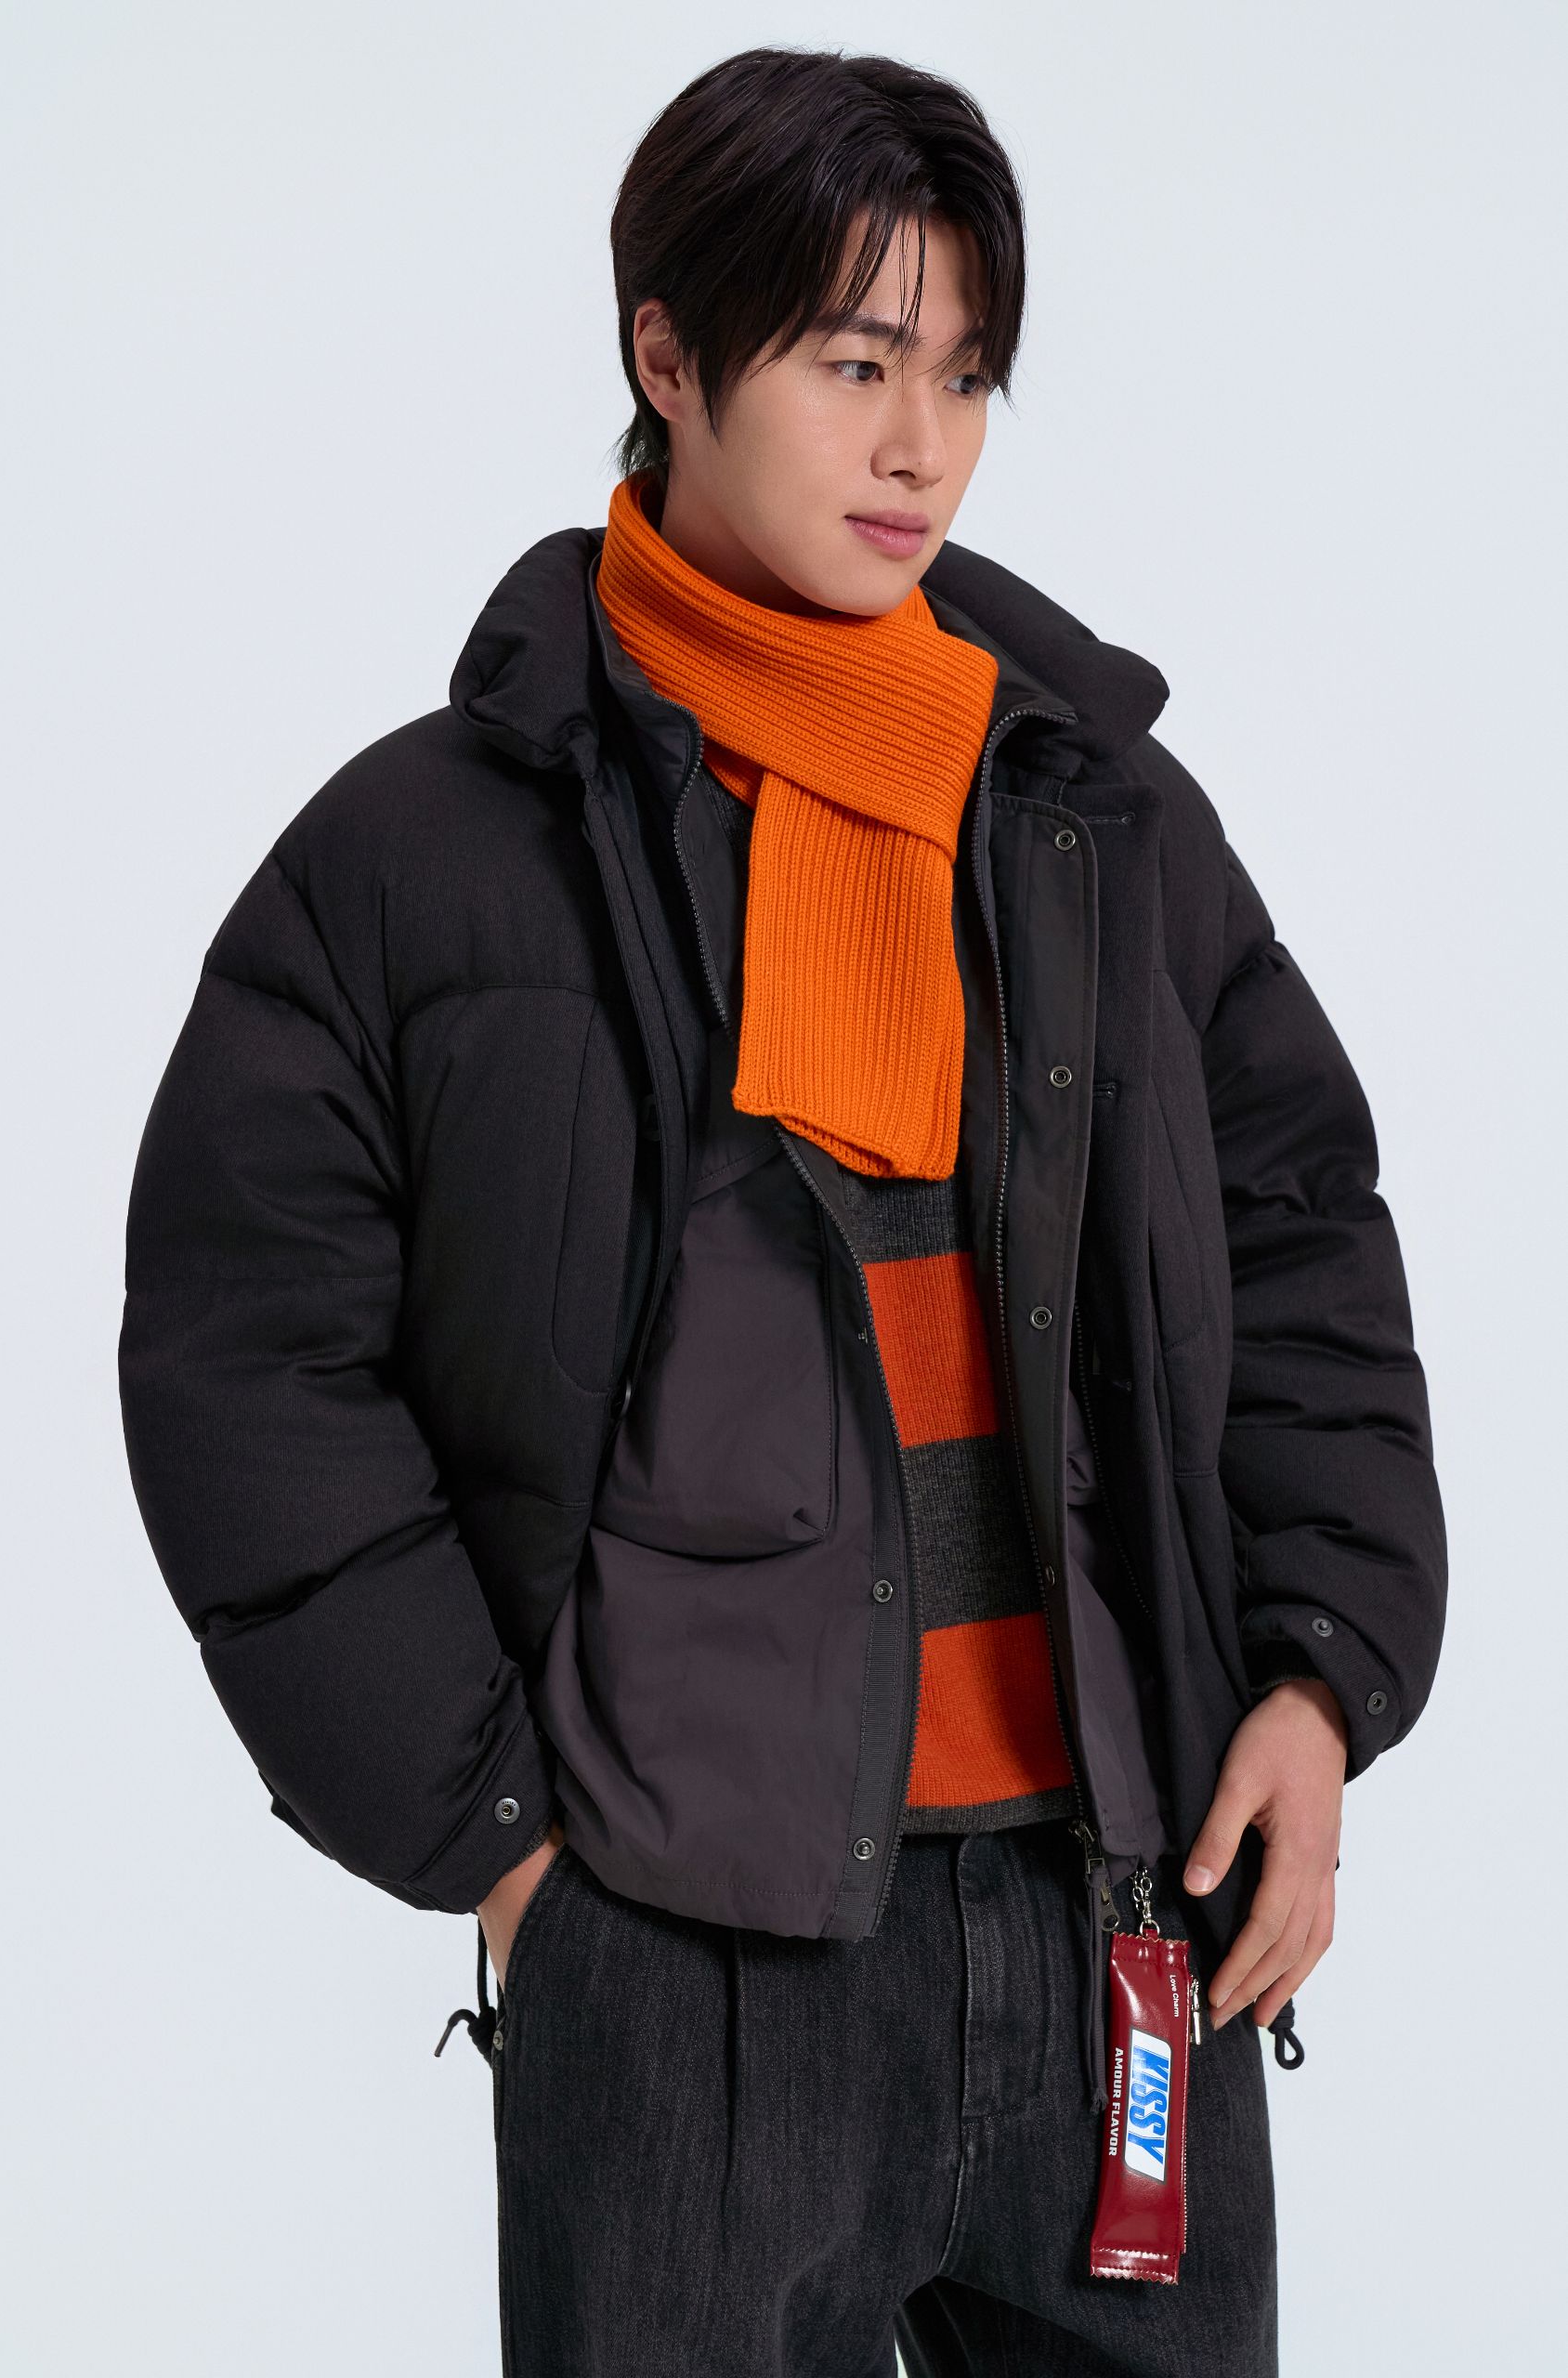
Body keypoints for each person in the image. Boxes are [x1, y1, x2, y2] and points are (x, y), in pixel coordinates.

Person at [118, 44, 1446, 2378]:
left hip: (1118, 1914)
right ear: (667, 354)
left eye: (965, 375)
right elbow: (247, 1358)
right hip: (685, 1953)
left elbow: (1301, 1228)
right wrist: (502, 1842)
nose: (920, 444)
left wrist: (1320, 1680)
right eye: (853, 365)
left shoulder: (1091, 811)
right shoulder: (422, 859)